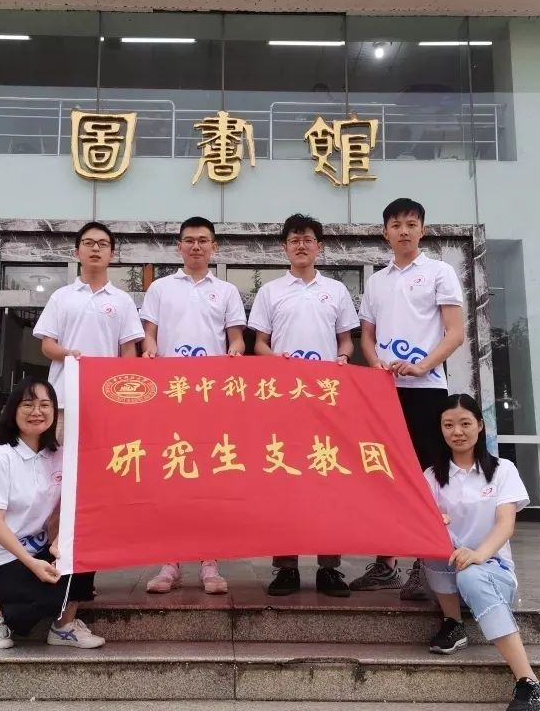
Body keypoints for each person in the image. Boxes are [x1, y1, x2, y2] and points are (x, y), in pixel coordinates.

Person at [348, 197, 465, 599]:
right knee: (384, 474)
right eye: (396, 225)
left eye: (411, 224)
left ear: (422, 230)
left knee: (427, 478)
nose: (403, 231)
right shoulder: (377, 282)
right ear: (385, 232)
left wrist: (423, 365)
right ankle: (386, 565)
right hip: (384, 394)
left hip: (427, 390)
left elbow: (455, 332)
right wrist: (376, 363)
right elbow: (366, 335)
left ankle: (424, 564)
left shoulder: (439, 272)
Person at [249, 213, 359, 598]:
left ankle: (330, 568)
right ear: (284, 247)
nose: (301, 245)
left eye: (308, 239)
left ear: (319, 247)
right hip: (283, 400)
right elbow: (259, 343)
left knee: (328, 478)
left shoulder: (336, 291)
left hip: (326, 400)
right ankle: (286, 567)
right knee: (285, 478)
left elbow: (346, 340)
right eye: (294, 240)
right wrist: (275, 359)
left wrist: (343, 358)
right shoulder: (270, 292)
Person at [422, 393, 540, 711]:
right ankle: (453, 622)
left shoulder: (503, 470)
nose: (457, 432)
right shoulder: (432, 476)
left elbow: (506, 524)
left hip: (493, 570)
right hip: (449, 568)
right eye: (448, 425)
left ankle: (529, 682)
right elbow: (419, 522)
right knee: (433, 547)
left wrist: (478, 555)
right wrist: (434, 524)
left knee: (471, 574)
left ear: (480, 425)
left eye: (465, 423)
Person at [142, 216, 246, 595]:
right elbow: (149, 336)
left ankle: (209, 561)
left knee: (209, 478)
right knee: (171, 476)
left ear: (214, 247)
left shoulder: (227, 291)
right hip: (170, 397)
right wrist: (149, 351)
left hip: (211, 398)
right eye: (189, 240)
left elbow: (236, 339)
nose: (196, 246)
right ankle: (169, 562)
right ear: (179, 246)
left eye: (203, 240)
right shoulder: (160, 288)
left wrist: (235, 353)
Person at [0, 377, 104, 650]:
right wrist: (31, 563)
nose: (37, 412)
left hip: (40, 551)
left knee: (83, 553)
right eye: (28, 405)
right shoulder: (1, 458)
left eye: (45, 405)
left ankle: (63, 628)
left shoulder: (60, 456)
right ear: (14, 410)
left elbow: (70, 508)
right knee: (51, 597)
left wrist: (58, 543)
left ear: (55, 412)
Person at [33, 220, 144, 425]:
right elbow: (47, 346)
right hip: (63, 397)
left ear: (112, 254)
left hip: (108, 399)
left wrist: (125, 395)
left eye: (102, 244)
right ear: (77, 252)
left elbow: (128, 353)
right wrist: (69, 354)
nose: (95, 248)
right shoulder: (61, 296)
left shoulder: (123, 300)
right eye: (89, 243)